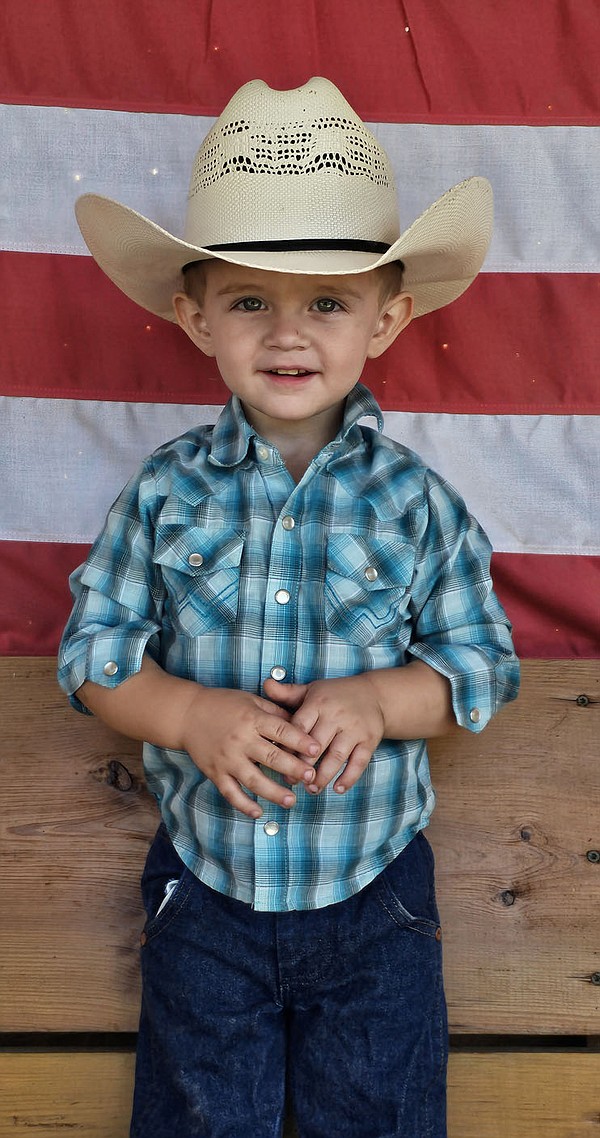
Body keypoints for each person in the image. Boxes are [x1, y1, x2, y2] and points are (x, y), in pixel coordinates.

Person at [58, 77, 519, 1138]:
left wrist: (378, 700)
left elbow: (480, 664)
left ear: (388, 317)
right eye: (249, 299)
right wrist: (183, 714)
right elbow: (91, 650)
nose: (287, 330)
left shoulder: (416, 506)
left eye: (326, 299)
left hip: (376, 902)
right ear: (195, 315)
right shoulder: (167, 495)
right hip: (204, 899)